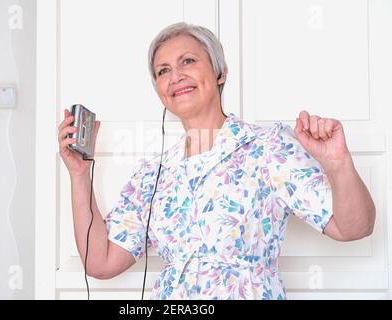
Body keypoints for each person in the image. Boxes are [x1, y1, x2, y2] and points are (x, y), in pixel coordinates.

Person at [57, 22, 376, 299]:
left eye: (188, 61)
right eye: (163, 71)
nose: (175, 76)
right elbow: (100, 262)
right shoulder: (152, 175)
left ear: (220, 73)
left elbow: (354, 228)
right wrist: (79, 175)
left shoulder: (268, 148)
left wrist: (338, 163)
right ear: (159, 90)